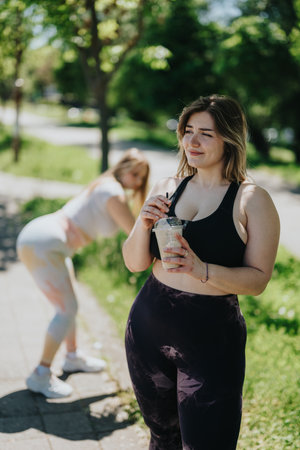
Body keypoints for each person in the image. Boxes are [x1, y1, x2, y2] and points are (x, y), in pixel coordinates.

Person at [122, 95, 280, 449]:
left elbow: (258, 280)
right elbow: (134, 263)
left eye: (205, 134)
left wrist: (201, 268)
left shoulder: (251, 200)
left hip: (210, 340)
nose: (192, 142)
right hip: (147, 327)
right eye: (187, 131)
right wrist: (143, 222)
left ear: (230, 138)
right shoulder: (168, 185)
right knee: (162, 437)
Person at [17, 148, 150, 399]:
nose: (138, 182)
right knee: (66, 310)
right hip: (47, 242)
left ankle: (72, 356)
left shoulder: (103, 184)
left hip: (46, 240)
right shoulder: (113, 192)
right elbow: (134, 232)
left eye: (142, 177)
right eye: (135, 174)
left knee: (70, 306)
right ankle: (40, 374)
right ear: (122, 169)